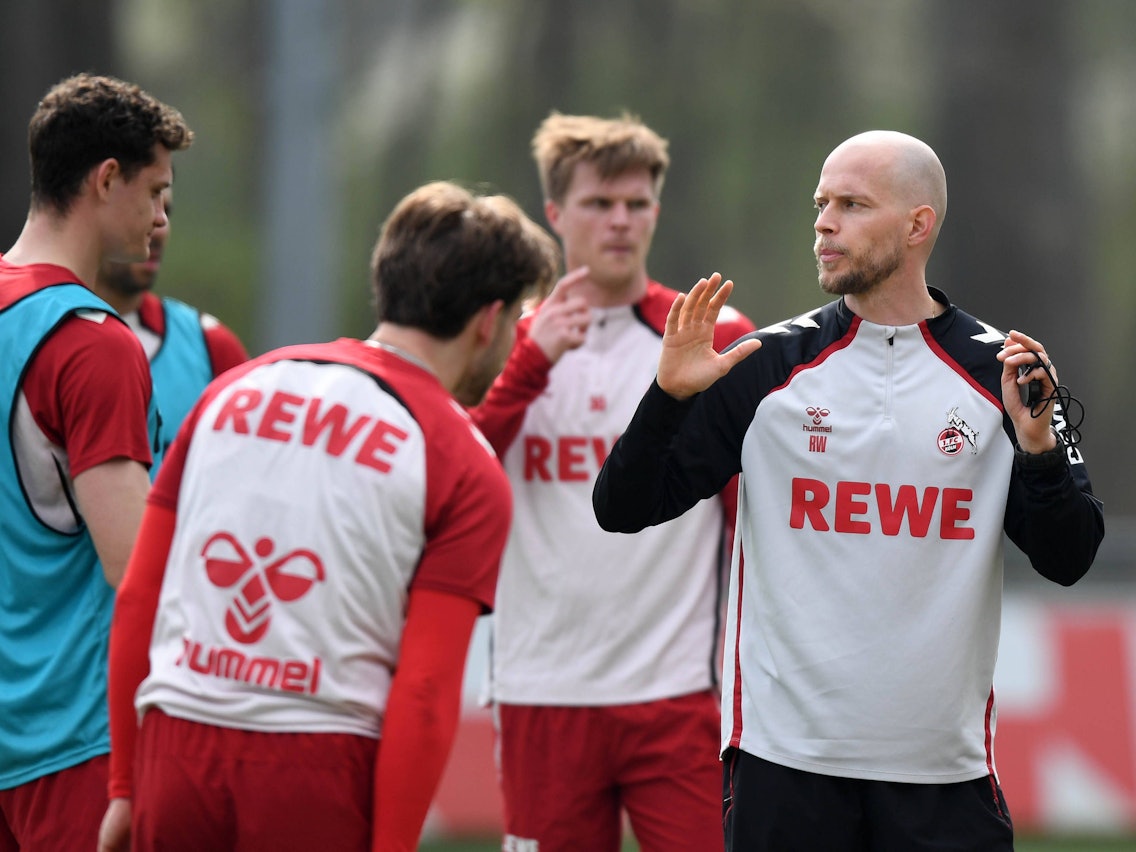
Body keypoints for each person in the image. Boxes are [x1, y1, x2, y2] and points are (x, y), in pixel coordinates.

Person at [593, 130, 1105, 850]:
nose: (824, 223)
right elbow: (621, 509)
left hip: (944, 775)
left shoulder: (1007, 371)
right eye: (820, 203)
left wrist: (1040, 450)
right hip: (784, 766)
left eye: (852, 204)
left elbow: (1069, 556)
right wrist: (667, 399)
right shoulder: (763, 368)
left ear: (917, 224)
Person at [96, 180, 560, 852]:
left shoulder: (233, 390)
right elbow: (424, 694)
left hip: (176, 747)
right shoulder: (463, 460)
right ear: (488, 321)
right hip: (317, 768)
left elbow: (140, 595)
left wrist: (124, 788)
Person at [469, 112, 755, 851]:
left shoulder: (709, 337)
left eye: (637, 204)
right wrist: (530, 364)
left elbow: (750, 508)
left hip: (678, 691)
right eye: (600, 204)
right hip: (541, 689)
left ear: (657, 212)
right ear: (557, 214)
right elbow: (453, 469)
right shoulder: (500, 338)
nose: (620, 221)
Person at [0, 73, 192, 852]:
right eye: (155, 193)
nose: (158, 221)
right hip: (72, 741)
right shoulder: (93, 340)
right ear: (105, 179)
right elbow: (135, 567)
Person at [94, 187, 250, 463]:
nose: (161, 227)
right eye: (144, 207)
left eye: (167, 210)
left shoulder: (211, 348)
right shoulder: (24, 329)